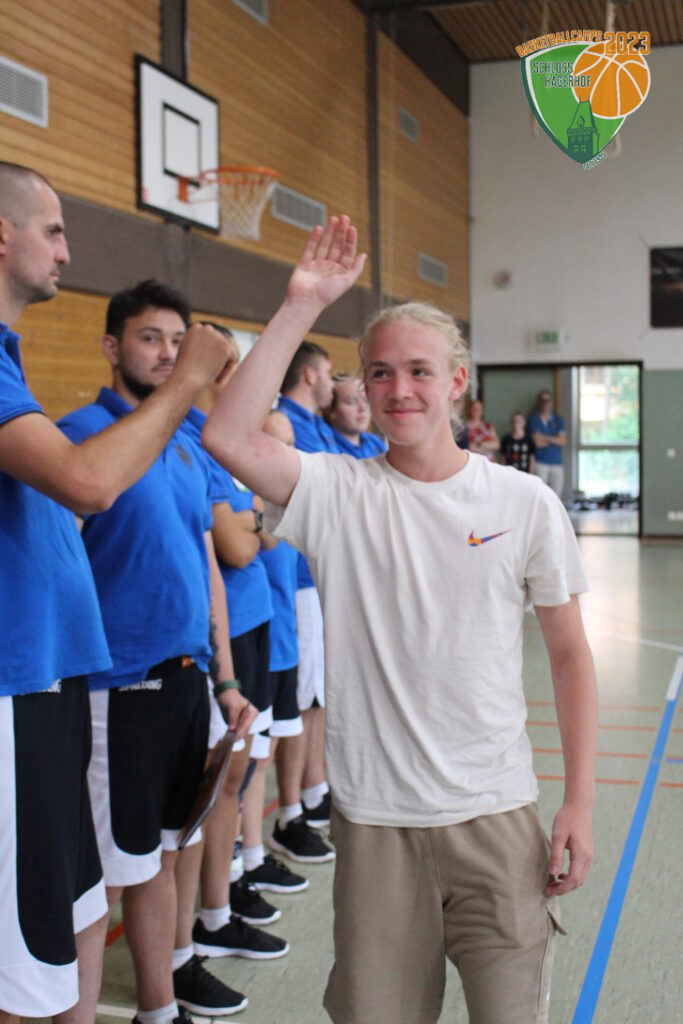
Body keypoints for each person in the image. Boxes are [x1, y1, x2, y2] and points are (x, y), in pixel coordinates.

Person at [202, 217, 598, 1024]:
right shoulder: (337, 493)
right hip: (376, 826)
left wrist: (578, 803)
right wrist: (300, 303)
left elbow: (568, 655)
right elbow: (227, 434)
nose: (398, 390)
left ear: (456, 382)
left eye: (419, 370)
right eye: (379, 373)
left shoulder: (521, 502)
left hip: (495, 818)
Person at [0, 163, 234, 1024]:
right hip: (34, 683)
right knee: (28, 952)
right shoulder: (79, 424)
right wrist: (187, 382)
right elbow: (88, 485)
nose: (67, 250)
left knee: (72, 914)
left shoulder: (13, 364)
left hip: (60, 679)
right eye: (54, 230)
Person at [58, 281, 257, 1024]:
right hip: (117, 689)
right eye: (151, 338)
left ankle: (159, 1009)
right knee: (101, 883)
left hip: (188, 682)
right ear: (112, 347)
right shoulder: (82, 437)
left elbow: (207, 570)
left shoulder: (182, 445)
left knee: (164, 858)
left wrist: (225, 680)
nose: (169, 354)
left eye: (179, 341)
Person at [276, 342, 338, 850]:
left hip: (318, 579)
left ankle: (314, 789)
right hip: (296, 579)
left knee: (315, 697)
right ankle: (290, 809)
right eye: (330, 374)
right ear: (311, 375)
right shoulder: (284, 425)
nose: (334, 384)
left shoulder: (316, 427)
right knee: (298, 701)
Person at [323, 371, 386, 457]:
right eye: (351, 401)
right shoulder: (324, 446)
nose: (362, 408)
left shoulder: (375, 443)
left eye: (365, 400)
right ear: (330, 410)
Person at [528, 390, 566, 496]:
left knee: (556, 495)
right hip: (540, 462)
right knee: (540, 494)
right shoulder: (533, 419)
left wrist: (544, 437)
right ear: (538, 402)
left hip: (556, 462)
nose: (545, 403)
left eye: (548, 400)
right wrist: (554, 438)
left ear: (551, 402)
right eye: (542, 400)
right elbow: (537, 442)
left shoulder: (557, 420)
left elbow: (562, 441)